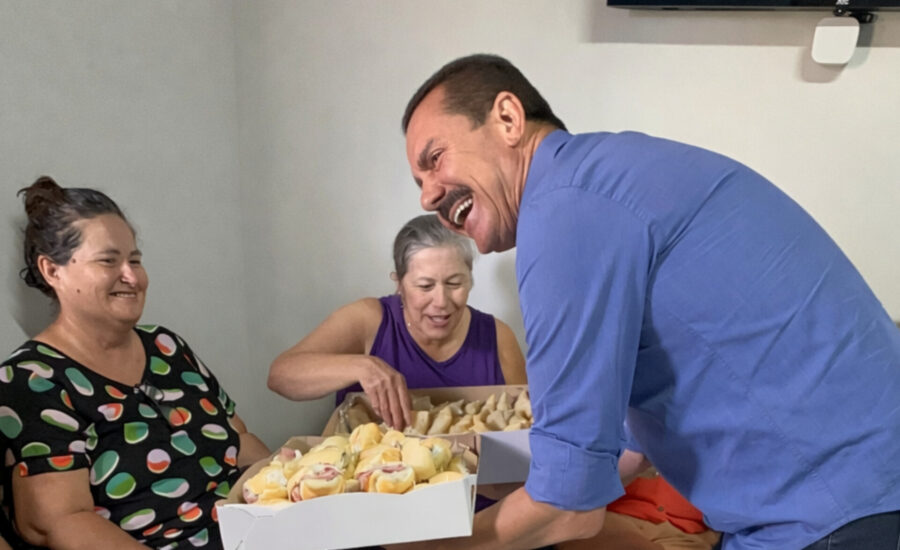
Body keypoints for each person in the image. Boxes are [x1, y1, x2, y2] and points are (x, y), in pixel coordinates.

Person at [395, 54, 900, 549]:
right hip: (849, 491)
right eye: (419, 183)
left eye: (435, 159)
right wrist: (515, 481)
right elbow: (621, 454)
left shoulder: (563, 209)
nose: (427, 196)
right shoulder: (606, 176)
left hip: (836, 509)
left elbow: (569, 507)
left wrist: (418, 543)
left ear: (508, 118)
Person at [0, 176, 270, 549]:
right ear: (52, 271)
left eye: (135, 260)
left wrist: (295, 495)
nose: (132, 276)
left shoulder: (166, 346)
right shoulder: (33, 380)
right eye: (108, 261)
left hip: (252, 531)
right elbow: (63, 523)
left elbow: (239, 441)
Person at [268, 213, 526, 430]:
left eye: (454, 283)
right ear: (399, 284)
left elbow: (527, 423)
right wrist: (363, 367)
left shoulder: (497, 336)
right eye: (425, 286)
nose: (441, 301)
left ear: (470, 280)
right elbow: (281, 375)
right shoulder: (369, 320)